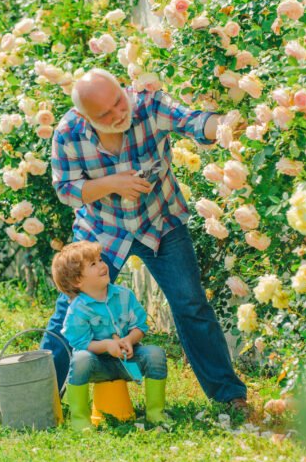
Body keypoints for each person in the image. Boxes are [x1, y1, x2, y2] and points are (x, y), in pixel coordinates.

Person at [40, 68, 248, 412]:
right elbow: (66, 190)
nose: (119, 115)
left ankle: (229, 395)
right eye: (104, 114)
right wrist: (113, 183)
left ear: (123, 90)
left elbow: (194, 122)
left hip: (160, 222)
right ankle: (43, 402)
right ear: (83, 115)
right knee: (68, 311)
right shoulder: (68, 133)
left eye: (119, 103)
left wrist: (227, 124)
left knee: (191, 305)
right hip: (101, 232)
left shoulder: (149, 106)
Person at [52, 241, 167, 431]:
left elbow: (140, 325)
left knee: (155, 354)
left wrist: (130, 340)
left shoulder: (124, 295)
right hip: (98, 365)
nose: (102, 265)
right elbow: (81, 343)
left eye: (99, 260)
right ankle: (80, 419)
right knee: (80, 358)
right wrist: (106, 346)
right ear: (77, 281)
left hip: (128, 360)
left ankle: (156, 413)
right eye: (93, 264)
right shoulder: (78, 309)